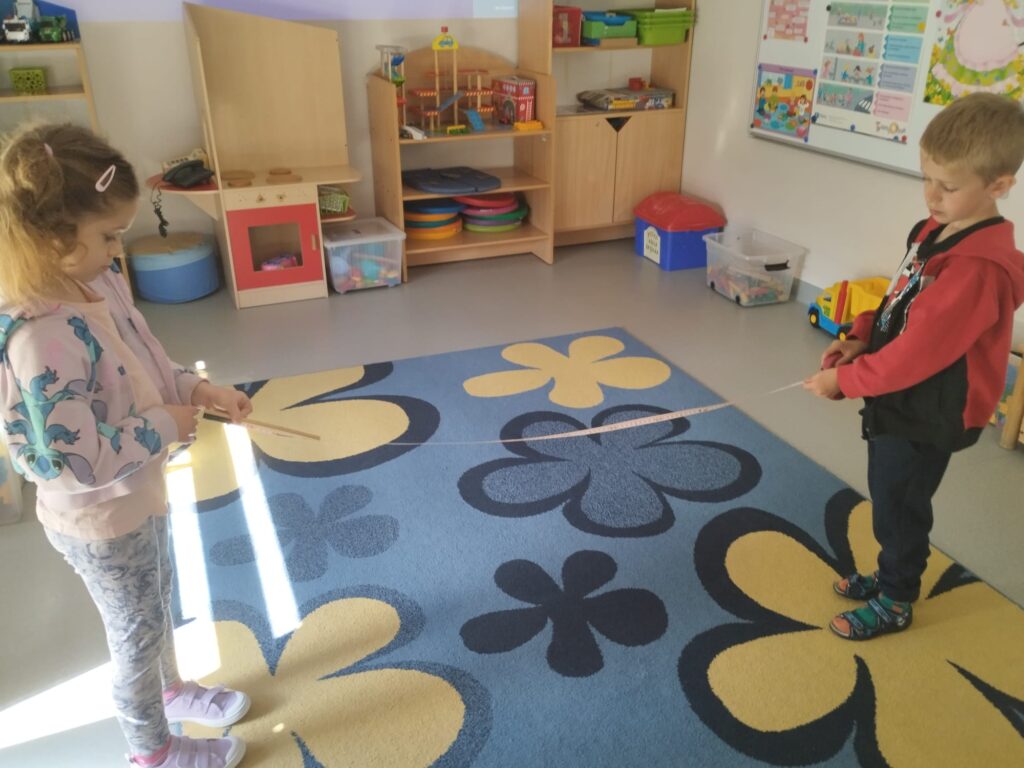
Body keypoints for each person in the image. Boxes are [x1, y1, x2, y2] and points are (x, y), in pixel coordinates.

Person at [0, 123, 253, 766]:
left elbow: (144, 360)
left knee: (157, 601)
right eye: (109, 235)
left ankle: (172, 691)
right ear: (56, 241)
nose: (119, 251)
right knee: (135, 633)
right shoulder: (41, 338)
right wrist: (166, 425)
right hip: (102, 518)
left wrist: (197, 392)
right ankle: (153, 751)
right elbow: (73, 462)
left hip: (139, 493)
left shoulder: (97, 282)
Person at [803, 93, 1024, 640]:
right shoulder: (933, 229)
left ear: (998, 185)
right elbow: (900, 300)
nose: (932, 195)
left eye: (948, 186)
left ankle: (897, 597)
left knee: (900, 505)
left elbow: (918, 351)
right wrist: (860, 338)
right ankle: (889, 575)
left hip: (931, 409)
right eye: (927, 178)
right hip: (900, 393)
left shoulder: (976, 269)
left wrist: (846, 380)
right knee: (889, 492)